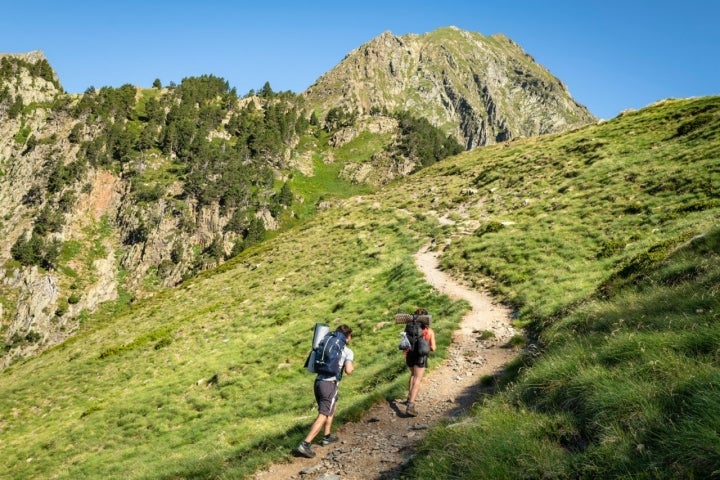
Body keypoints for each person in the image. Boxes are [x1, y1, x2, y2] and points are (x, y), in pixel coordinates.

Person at [296, 324, 354, 458]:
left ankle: (327, 436)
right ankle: (305, 444)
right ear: (348, 337)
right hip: (330, 384)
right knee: (323, 414)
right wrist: (351, 365)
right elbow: (349, 371)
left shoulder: (326, 342)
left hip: (318, 382)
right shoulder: (347, 351)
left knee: (332, 406)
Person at [405, 308, 436, 417]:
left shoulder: (409, 329)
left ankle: (409, 397)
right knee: (417, 379)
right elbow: (433, 347)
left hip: (409, 355)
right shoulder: (429, 331)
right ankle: (411, 405)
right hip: (421, 357)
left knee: (412, 375)